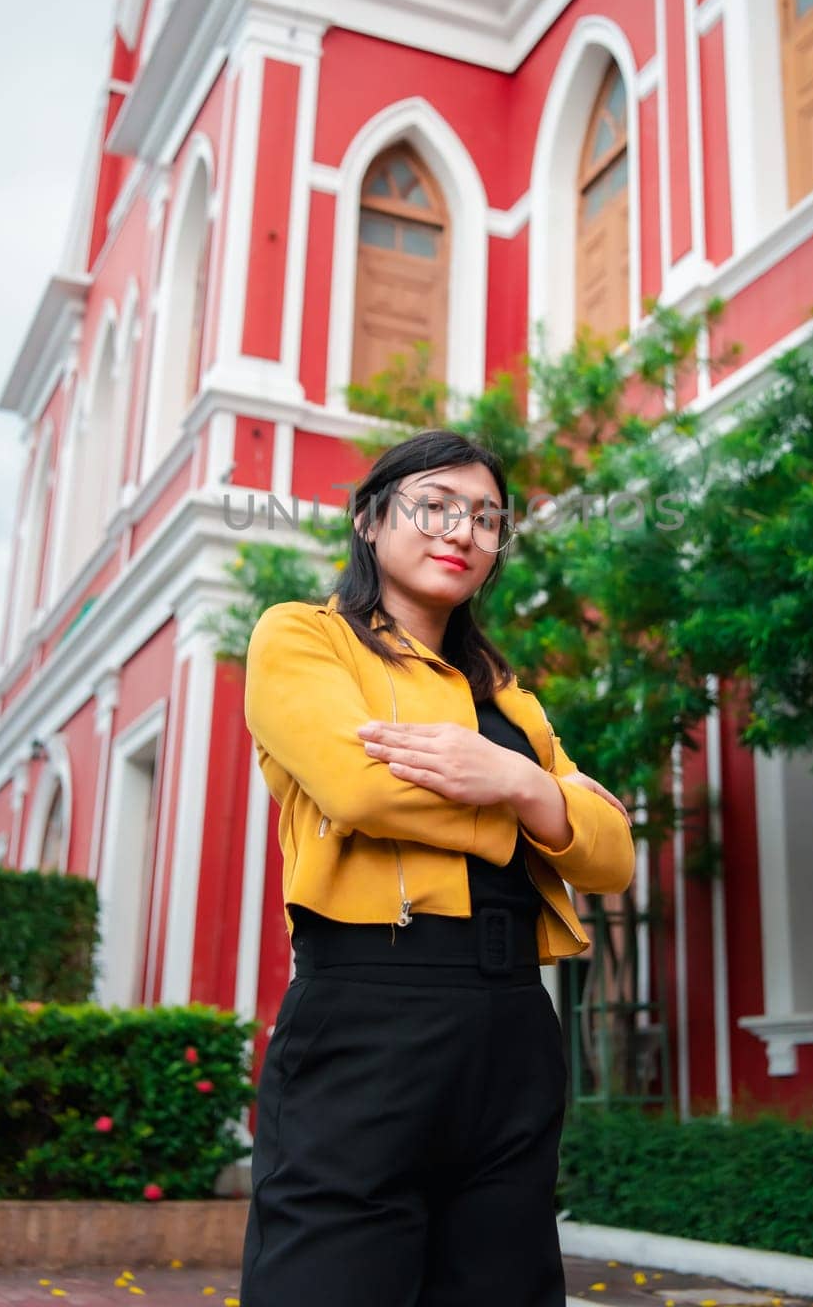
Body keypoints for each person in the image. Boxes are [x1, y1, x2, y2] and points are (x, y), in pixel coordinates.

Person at [239, 427, 635, 1307]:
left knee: (502, 1285)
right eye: (435, 506)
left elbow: (612, 857)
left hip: (511, 1022)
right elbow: (361, 790)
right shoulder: (305, 639)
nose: (463, 531)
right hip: (371, 1009)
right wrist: (535, 810)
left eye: (487, 518)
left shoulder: (508, 698)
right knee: (334, 1280)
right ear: (371, 521)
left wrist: (519, 778)